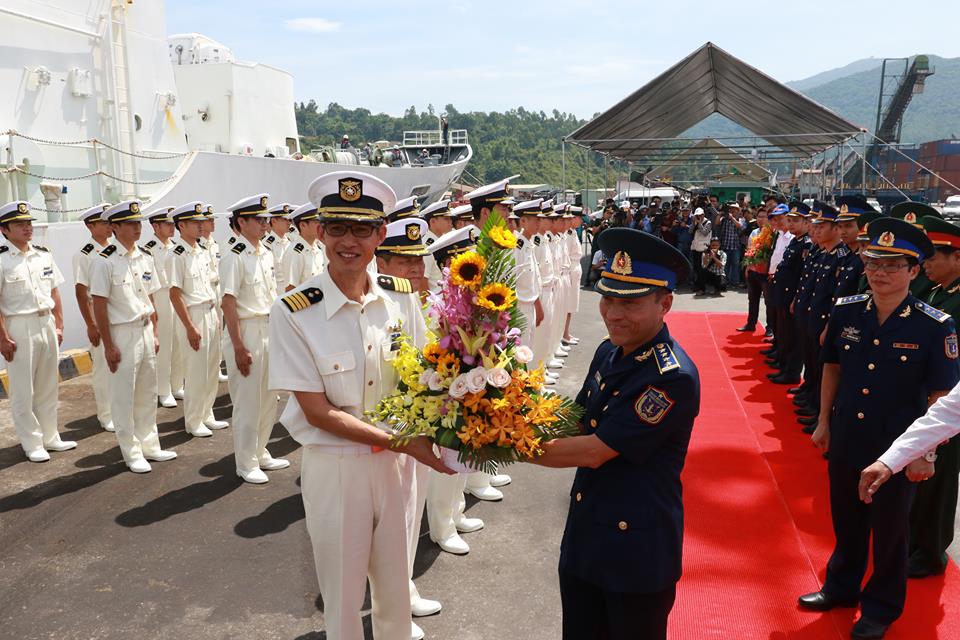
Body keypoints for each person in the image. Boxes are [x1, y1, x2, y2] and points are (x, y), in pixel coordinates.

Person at [268, 171, 453, 640]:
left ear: (379, 235)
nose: (348, 241)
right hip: (337, 468)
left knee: (395, 587)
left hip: (398, 465)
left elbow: (424, 378)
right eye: (337, 228)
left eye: (362, 230)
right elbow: (316, 411)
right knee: (344, 597)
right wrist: (403, 441)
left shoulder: (399, 299)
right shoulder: (294, 311)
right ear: (320, 232)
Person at [532, 227, 699, 640]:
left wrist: (503, 444)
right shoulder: (609, 350)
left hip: (635, 554)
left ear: (666, 303)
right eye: (608, 298)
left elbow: (594, 450)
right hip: (587, 537)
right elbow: (578, 417)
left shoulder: (671, 377)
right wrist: (514, 411)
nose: (613, 313)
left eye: (631, 302)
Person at [801, 217, 959, 640]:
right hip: (848, 432)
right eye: (874, 263)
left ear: (913, 270)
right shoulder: (847, 310)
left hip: (899, 443)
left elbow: (942, 395)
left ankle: (881, 607)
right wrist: (822, 421)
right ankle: (841, 587)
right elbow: (831, 367)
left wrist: (926, 454)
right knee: (846, 518)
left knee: (890, 531)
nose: (880, 273)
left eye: (893, 265)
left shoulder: (935, 324)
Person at [90, 200, 178, 473]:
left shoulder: (145, 257)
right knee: (123, 396)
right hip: (121, 333)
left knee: (147, 393)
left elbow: (148, 294)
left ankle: (150, 445)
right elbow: (99, 305)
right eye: (130, 223)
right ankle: (131, 452)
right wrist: (108, 344)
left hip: (144, 329)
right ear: (114, 227)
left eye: (138, 223)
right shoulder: (104, 261)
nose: (136, 228)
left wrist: (153, 329)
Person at [219, 194, 288, 484]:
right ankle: (245, 462)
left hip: (268, 328)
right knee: (248, 402)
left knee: (268, 398)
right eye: (258, 220)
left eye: (265, 220)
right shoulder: (234, 255)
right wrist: (237, 346)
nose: (264, 224)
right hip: (246, 330)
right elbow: (228, 302)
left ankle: (260, 452)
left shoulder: (266, 252)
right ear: (242, 222)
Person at [0, 201, 73, 462]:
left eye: (29, 223)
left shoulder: (43, 254)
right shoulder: (2, 260)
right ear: (4, 230)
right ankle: (32, 442)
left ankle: (51, 437)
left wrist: (60, 324)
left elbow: (55, 290)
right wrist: (2, 338)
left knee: (48, 385)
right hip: (19, 326)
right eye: (20, 224)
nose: (27, 228)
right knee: (22, 389)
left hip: (46, 323)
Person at [168, 201, 228, 439]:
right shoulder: (177, 255)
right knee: (196, 370)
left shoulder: (202, 251)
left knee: (212, 367)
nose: (201, 226)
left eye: (201, 222)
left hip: (210, 311)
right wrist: (190, 327)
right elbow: (175, 294)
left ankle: (207, 413)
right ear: (182, 225)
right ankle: (193, 420)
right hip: (193, 315)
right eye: (195, 222)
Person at [73, 203, 115, 432]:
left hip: (117, 315)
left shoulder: (115, 249)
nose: (109, 226)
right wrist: (91, 324)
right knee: (102, 369)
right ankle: (106, 414)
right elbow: (81, 292)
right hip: (98, 316)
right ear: (90, 226)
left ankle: (117, 410)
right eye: (104, 222)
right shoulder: (85, 254)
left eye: (110, 222)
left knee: (120, 367)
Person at [145, 207, 184, 408]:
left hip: (177, 296)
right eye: (167, 224)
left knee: (178, 342)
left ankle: (176, 385)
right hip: (161, 298)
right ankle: (163, 390)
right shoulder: (149, 250)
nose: (172, 228)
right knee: (165, 346)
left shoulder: (177, 247)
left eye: (172, 224)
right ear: (155, 226)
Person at [281, 203, 325, 291]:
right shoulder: (295, 252)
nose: (321, 226)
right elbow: (290, 289)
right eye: (316, 222)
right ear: (303, 225)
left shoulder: (317, 249)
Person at [264, 203, 294, 293]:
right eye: (285, 219)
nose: (289, 223)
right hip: (276, 293)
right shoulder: (266, 245)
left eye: (290, 220)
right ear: (274, 221)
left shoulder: (290, 243)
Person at [715, 202, 744, 287]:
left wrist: (732, 218)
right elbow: (717, 223)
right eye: (731, 209)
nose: (732, 211)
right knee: (725, 265)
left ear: (738, 211)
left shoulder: (740, 219)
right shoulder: (724, 219)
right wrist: (720, 214)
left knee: (735, 265)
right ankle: (725, 282)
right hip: (725, 246)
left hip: (735, 246)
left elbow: (740, 226)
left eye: (734, 209)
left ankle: (735, 282)